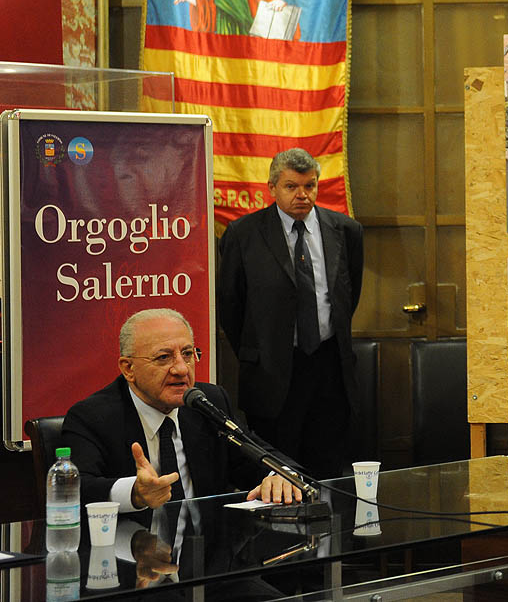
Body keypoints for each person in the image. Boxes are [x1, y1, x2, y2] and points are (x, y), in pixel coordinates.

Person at [218, 148, 364, 481]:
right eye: (291, 187)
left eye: (310, 186)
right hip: (272, 372)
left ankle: (326, 534)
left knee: (327, 471)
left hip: (329, 368)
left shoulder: (346, 231)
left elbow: (347, 297)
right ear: (272, 187)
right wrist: (261, 349)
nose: (302, 195)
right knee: (276, 473)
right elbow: (231, 305)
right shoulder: (243, 234)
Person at [61, 308, 300, 509]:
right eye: (164, 357)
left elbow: (257, 456)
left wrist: (278, 477)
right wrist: (134, 493)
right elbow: (74, 489)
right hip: (127, 556)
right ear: (128, 369)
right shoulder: (92, 417)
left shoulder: (207, 402)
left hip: (206, 556)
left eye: (187, 354)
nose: (181, 369)